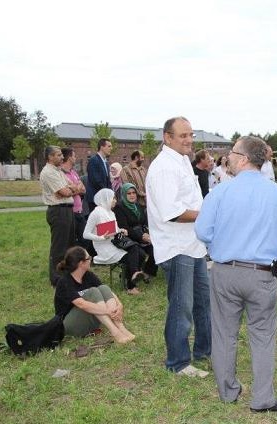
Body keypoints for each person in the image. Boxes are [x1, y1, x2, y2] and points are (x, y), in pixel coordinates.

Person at [195, 135, 277, 413]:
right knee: (263, 335)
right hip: (262, 274)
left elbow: (202, 232)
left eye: (231, 152)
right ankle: (263, 398)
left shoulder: (220, 192)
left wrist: (225, 242)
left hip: (225, 271)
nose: (227, 157)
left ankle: (227, 392)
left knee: (223, 333)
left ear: (243, 159)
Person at [146, 116, 211, 377]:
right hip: (176, 247)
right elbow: (172, 212)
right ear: (167, 137)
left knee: (203, 302)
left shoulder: (182, 160)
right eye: (182, 135)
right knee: (181, 307)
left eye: (191, 135)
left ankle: (205, 351)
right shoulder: (163, 167)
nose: (188, 140)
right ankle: (178, 362)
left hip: (194, 245)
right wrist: (206, 215)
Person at [54, 246, 135, 343]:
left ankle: (121, 328)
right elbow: (81, 304)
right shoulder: (64, 282)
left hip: (88, 319)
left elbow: (107, 291)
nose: (90, 260)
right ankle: (115, 333)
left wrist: (120, 305)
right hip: (69, 325)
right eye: (89, 258)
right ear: (81, 263)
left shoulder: (88, 275)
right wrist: (108, 311)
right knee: (93, 292)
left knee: (103, 288)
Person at [83, 188, 146, 295]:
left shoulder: (110, 212)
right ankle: (131, 286)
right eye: (113, 198)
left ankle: (133, 274)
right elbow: (85, 234)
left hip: (115, 242)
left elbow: (114, 229)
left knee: (140, 253)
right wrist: (102, 237)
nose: (115, 201)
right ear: (106, 199)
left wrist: (121, 230)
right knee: (132, 254)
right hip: (104, 247)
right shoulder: (96, 213)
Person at [40, 145, 76, 286]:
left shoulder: (59, 171)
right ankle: (57, 278)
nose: (62, 157)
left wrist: (70, 189)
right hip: (58, 211)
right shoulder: (49, 172)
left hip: (67, 209)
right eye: (59, 155)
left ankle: (67, 273)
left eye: (62, 155)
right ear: (50, 157)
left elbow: (76, 186)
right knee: (59, 247)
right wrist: (70, 190)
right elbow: (65, 192)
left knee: (69, 244)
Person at [114, 183, 158, 278]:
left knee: (156, 248)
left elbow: (144, 223)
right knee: (140, 253)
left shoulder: (138, 206)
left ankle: (147, 272)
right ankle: (131, 276)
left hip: (141, 235)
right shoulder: (119, 207)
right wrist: (141, 236)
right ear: (124, 195)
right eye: (128, 193)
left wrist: (146, 234)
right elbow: (124, 227)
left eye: (134, 192)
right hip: (129, 237)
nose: (132, 195)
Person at [60, 147, 90, 252]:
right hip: (69, 211)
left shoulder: (74, 172)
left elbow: (84, 189)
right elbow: (66, 191)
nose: (75, 158)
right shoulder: (61, 173)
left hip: (79, 211)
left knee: (85, 238)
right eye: (74, 156)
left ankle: (80, 260)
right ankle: (71, 262)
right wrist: (77, 188)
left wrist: (75, 188)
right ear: (69, 158)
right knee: (70, 240)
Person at [86, 138, 113, 211]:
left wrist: (111, 195)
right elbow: (96, 181)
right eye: (109, 146)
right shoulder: (94, 161)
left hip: (104, 198)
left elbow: (108, 181)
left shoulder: (106, 163)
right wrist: (107, 194)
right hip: (96, 199)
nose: (111, 148)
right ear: (102, 147)